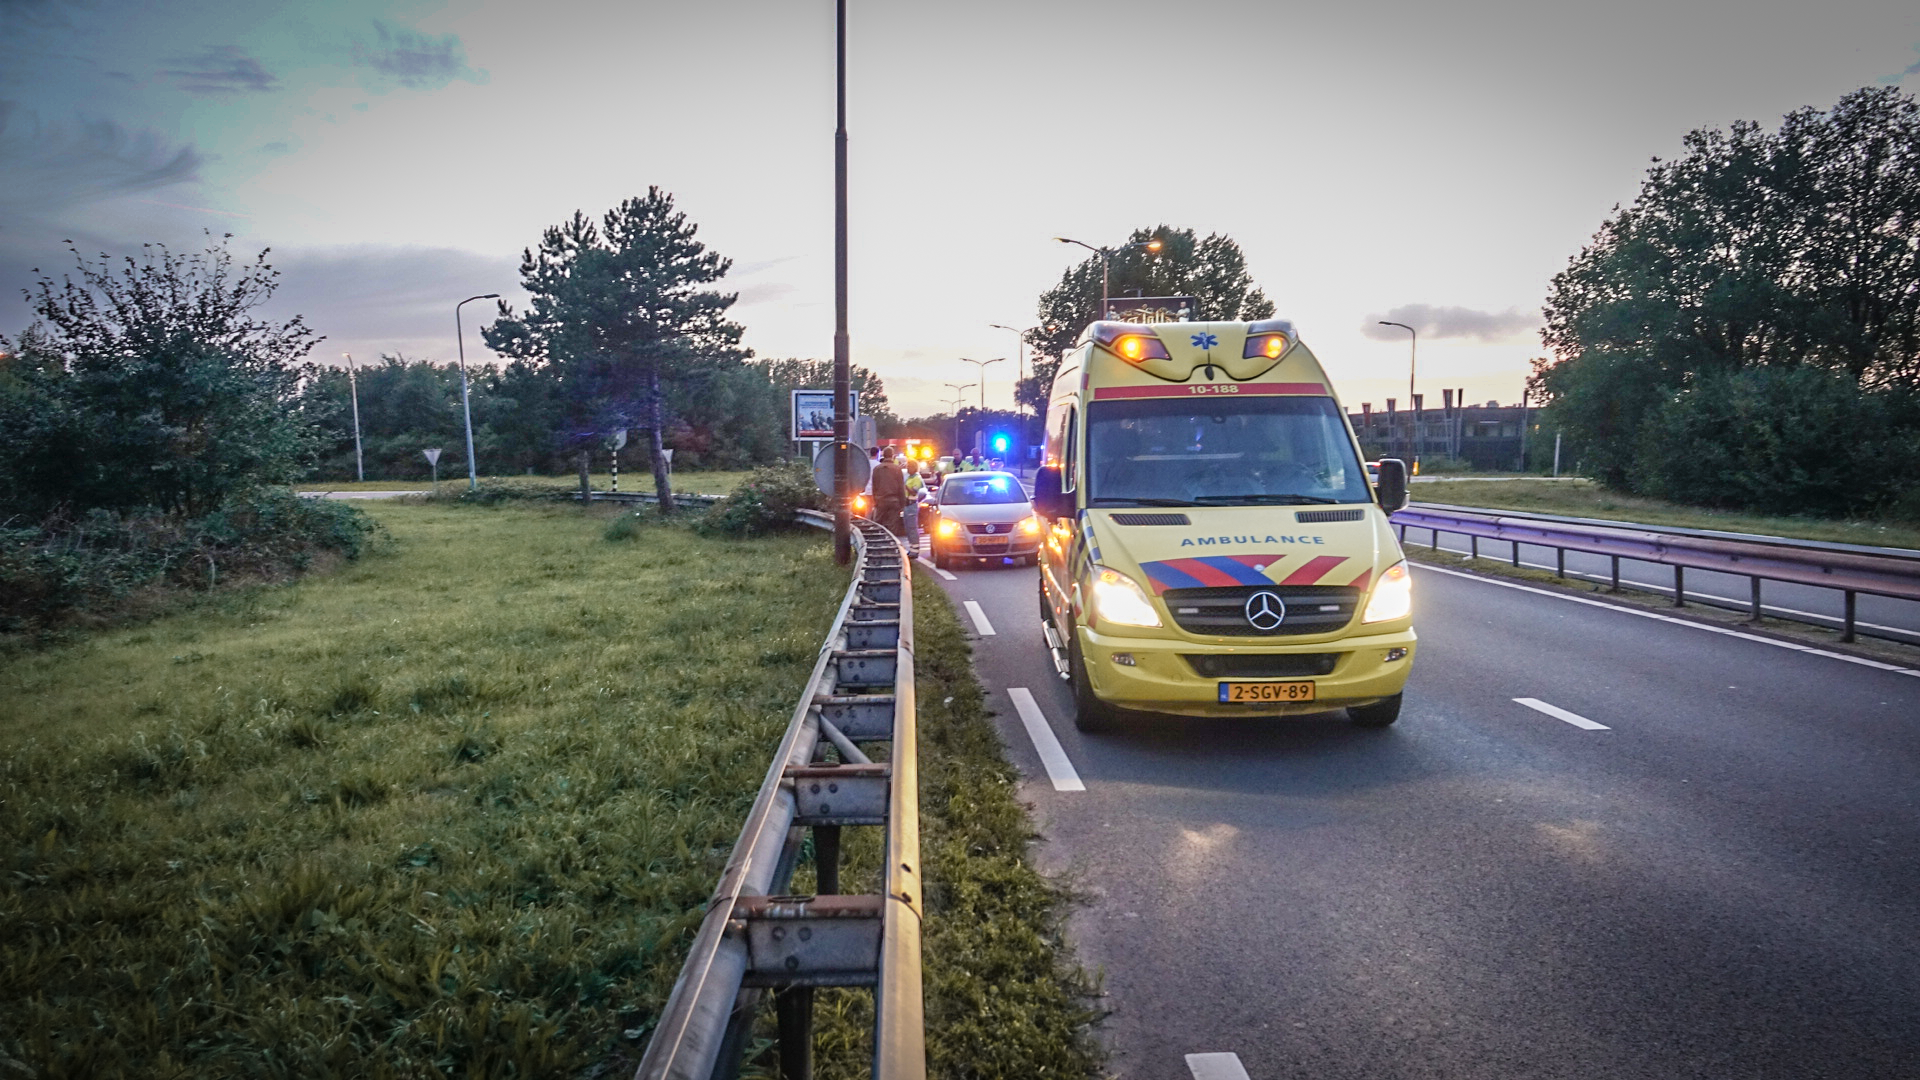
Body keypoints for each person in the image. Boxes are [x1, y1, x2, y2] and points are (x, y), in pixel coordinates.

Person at [871, 445, 907, 538]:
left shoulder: (877, 469)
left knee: (878, 525)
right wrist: (902, 505)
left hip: (880, 501)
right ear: (893, 456)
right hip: (894, 501)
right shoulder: (897, 469)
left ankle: (879, 543)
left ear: (884, 455)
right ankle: (891, 544)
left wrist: (875, 501)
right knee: (893, 526)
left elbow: (874, 487)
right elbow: (901, 488)